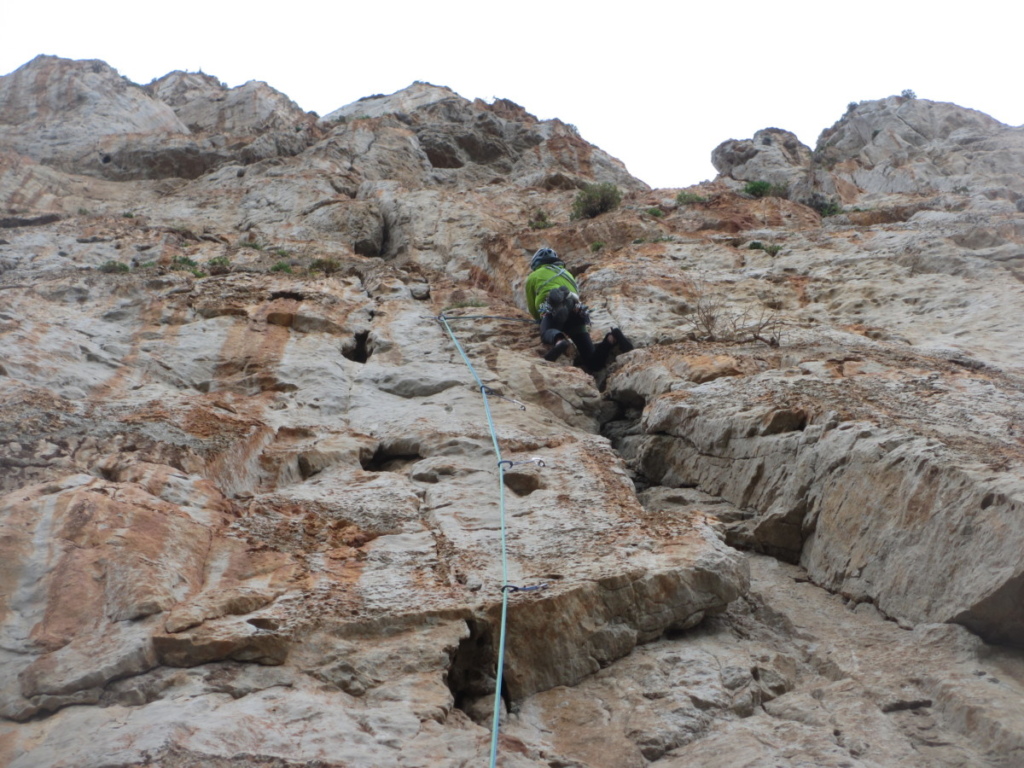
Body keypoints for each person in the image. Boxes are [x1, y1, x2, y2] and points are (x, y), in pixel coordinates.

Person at [524, 247, 633, 368]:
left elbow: (532, 307)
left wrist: (540, 320)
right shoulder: (567, 274)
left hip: (551, 309)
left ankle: (560, 341)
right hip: (577, 311)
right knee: (593, 363)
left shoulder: (534, 276)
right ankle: (612, 337)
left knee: (547, 332)